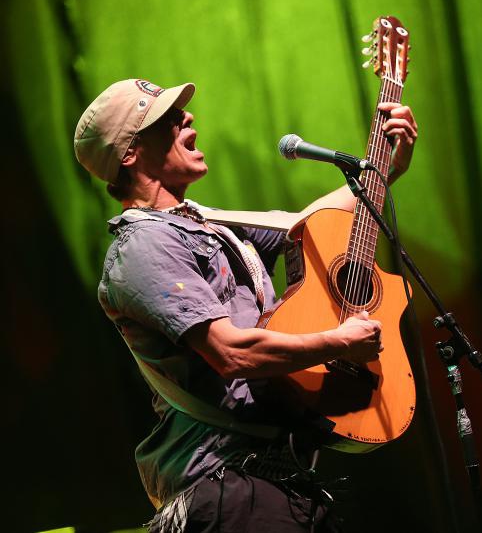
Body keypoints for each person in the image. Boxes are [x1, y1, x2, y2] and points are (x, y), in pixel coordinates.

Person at [73, 78, 418, 532]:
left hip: (276, 479)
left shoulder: (214, 226)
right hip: (224, 482)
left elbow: (311, 225)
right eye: (168, 119)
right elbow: (231, 353)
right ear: (131, 154)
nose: (188, 117)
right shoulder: (144, 244)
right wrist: (338, 342)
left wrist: (386, 168)